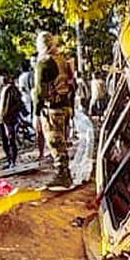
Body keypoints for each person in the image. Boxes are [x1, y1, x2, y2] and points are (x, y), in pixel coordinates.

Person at [34, 32, 77, 190]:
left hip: (52, 107)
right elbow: (73, 84)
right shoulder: (63, 60)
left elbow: (39, 90)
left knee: (54, 140)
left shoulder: (44, 62)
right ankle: (65, 173)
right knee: (62, 140)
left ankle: (62, 174)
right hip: (65, 105)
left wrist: (36, 113)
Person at [0, 71, 24, 169]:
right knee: (4, 142)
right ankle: (9, 160)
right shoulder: (2, 89)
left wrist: (10, 115)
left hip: (10, 120)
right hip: (1, 119)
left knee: (11, 140)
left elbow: (19, 104)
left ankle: (13, 161)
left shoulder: (13, 90)